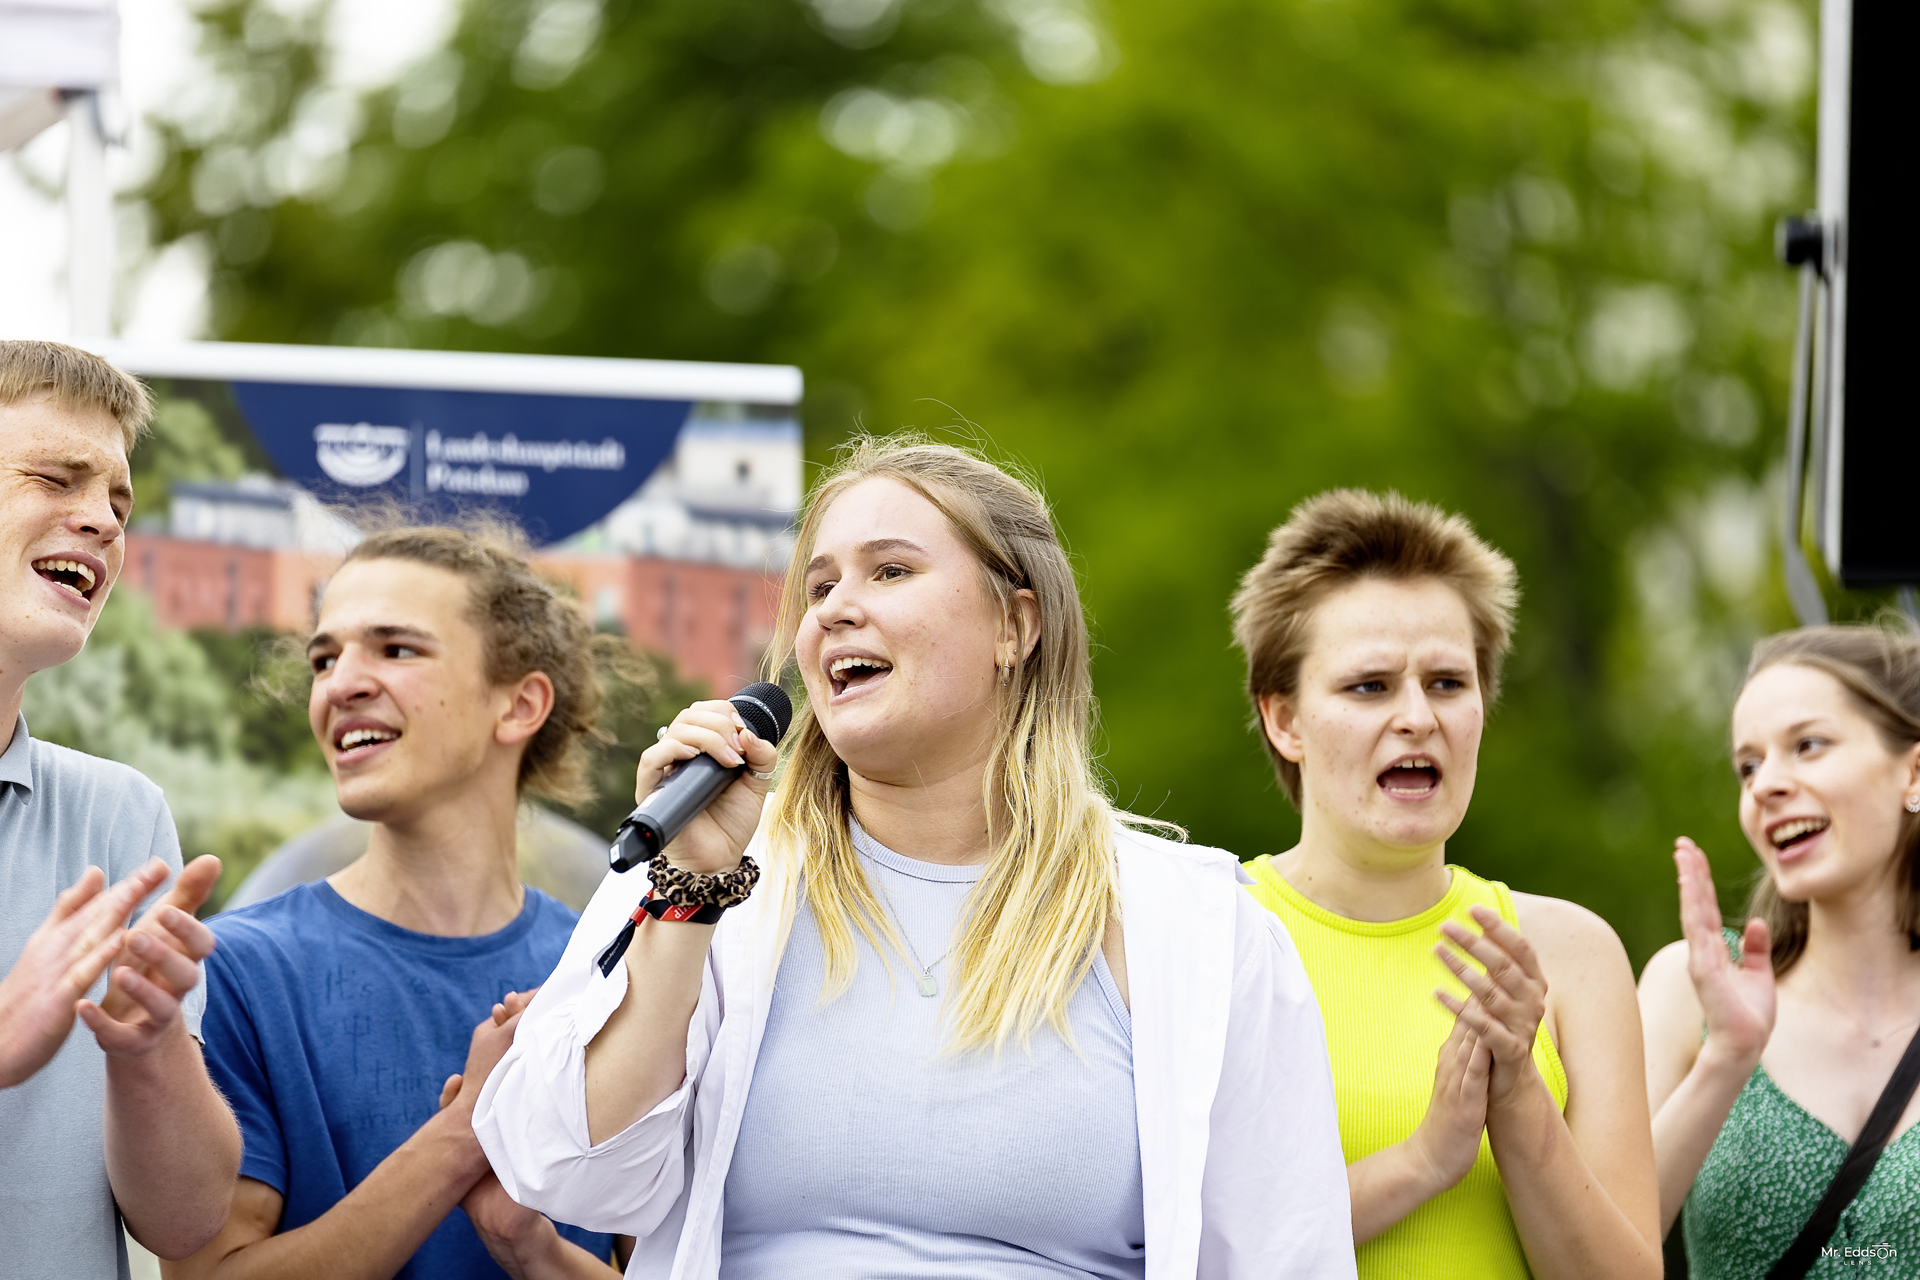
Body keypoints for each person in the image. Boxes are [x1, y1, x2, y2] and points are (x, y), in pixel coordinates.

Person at [473, 437, 1356, 1278]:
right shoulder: (704, 866)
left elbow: (1288, 1259)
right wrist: (691, 892)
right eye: (818, 588)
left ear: (1016, 625)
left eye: (890, 571)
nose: (835, 609)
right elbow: (570, 1175)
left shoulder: (1196, 925)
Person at [167, 524, 632, 1279]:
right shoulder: (239, 972)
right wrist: (465, 1134)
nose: (339, 683)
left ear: (518, 706)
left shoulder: (616, 976)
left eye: (395, 649)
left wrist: (532, 1247)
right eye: (325, 657)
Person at [1229, 489, 1661, 1280]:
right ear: (1283, 720)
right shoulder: (1209, 936)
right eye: (1369, 686)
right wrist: (1423, 1162)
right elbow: (1175, 1251)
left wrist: (1521, 1096)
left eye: (1448, 683)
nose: (1418, 717)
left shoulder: (1573, 953)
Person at [0, 339, 242, 1275]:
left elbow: (184, 1226)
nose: (101, 520)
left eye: (118, 500)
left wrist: (148, 1054)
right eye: (57, 478)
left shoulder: (119, 815)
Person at [1639, 623, 1920, 1277]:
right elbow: (1587, 1252)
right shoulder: (1689, 987)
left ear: (1913, 772)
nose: (1766, 784)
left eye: (1808, 745)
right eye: (1749, 765)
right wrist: (1725, 1059)